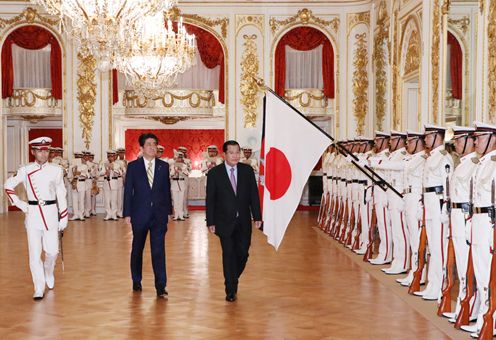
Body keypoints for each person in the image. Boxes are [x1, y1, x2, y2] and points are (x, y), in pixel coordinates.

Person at [4, 137, 68, 300]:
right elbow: (8, 186)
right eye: (40, 150)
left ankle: (48, 271)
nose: (44, 153)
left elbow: (61, 194)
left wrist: (64, 217)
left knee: (52, 252)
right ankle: (38, 287)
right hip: (33, 215)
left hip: (51, 214)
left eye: (46, 150)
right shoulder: (25, 170)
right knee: (34, 254)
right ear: (33, 152)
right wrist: (20, 204)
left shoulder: (56, 170)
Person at [206, 140, 262, 302]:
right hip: (224, 221)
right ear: (224, 155)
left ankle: (232, 277)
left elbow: (253, 195)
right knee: (228, 253)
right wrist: (210, 221)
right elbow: (211, 199)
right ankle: (230, 288)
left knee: (243, 253)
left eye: (237, 152)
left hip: (244, 221)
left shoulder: (247, 171)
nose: (235, 155)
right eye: (232, 152)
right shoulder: (215, 173)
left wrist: (257, 216)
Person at [123, 133, 172, 298]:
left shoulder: (163, 166)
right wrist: (127, 213)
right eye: (149, 144)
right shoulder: (133, 166)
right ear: (142, 148)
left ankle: (160, 286)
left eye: (155, 144)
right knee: (137, 249)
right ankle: (136, 280)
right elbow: (128, 191)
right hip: (139, 215)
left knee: (158, 251)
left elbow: (166, 191)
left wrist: (168, 212)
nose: (153, 147)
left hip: (158, 216)